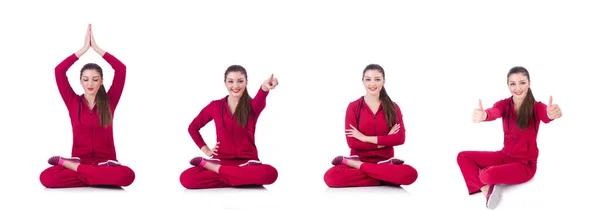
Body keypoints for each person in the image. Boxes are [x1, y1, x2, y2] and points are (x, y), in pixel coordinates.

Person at [39, 24, 135, 188]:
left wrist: (96, 49)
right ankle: (96, 177)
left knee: (127, 176)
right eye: (86, 79)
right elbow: (59, 71)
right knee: (46, 178)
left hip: (106, 164)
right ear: (80, 81)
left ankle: (76, 169)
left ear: (101, 81)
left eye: (95, 79)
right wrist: (83, 50)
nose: (90, 83)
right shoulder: (73, 102)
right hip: (82, 162)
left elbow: (121, 69)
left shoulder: (109, 102)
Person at [457, 66, 563, 209]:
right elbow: (494, 111)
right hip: (504, 155)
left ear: (529, 83)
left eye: (522, 82)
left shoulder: (537, 107)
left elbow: (546, 114)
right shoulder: (504, 104)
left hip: (525, 165)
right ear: (508, 86)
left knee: (485, 176)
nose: (517, 88)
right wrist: (484, 115)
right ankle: (485, 189)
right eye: (513, 83)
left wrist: (552, 114)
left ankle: (485, 177)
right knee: (463, 156)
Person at [180, 65, 279, 189]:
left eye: (240, 81)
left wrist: (264, 88)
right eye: (230, 81)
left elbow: (261, 98)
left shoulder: (252, 106)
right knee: (186, 178)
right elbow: (193, 127)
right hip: (221, 160)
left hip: (248, 164)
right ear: (225, 83)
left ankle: (216, 169)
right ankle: (241, 179)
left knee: (270, 174)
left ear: (246, 82)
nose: (235, 86)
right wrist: (207, 150)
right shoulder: (215, 106)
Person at [323, 64, 418, 188]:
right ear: (363, 81)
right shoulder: (353, 107)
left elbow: (400, 139)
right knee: (331, 177)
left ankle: (360, 167)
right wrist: (386, 139)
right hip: (361, 158)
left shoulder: (393, 107)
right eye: (368, 79)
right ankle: (384, 177)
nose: (372, 84)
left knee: (411, 174)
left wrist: (364, 138)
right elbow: (353, 143)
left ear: (384, 81)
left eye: (377, 79)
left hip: (384, 161)